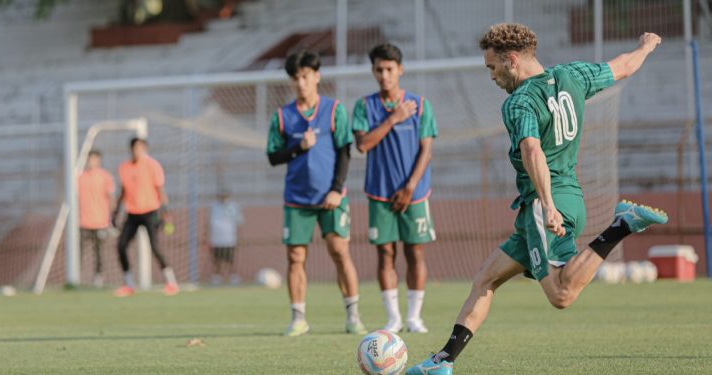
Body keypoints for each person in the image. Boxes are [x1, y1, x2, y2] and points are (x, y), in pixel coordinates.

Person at [407, 24, 667, 374]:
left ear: (512, 60)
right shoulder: (572, 75)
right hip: (567, 196)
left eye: (492, 67)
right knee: (486, 277)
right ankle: (442, 362)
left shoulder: (519, 102)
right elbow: (622, 66)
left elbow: (532, 150)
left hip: (547, 204)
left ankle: (621, 225)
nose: (491, 76)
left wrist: (545, 204)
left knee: (561, 295)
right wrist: (646, 46)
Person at [266, 50, 367, 337]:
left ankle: (353, 317)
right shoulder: (283, 116)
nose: (301, 83)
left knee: (339, 252)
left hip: (331, 197)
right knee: (296, 257)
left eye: (305, 76)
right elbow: (273, 156)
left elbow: (345, 151)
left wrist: (337, 189)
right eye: (295, 78)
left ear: (317, 76)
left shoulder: (334, 110)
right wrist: (299, 147)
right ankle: (298, 318)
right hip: (296, 200)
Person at [352, 43, 438, 334]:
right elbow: (363, 144)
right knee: (385, 254)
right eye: (379, 69)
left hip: (415, 194)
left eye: (390, 69)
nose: (384, 75)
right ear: (373, 71)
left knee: (415, 254)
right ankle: (394, 319)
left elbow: (427, 149)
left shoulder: (421, 105)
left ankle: (414, 317)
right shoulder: (365, 107)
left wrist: (411, 187)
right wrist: (393, 119)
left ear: (400, 70)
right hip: (379, 193)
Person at [112, 138, 179, 297]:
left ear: (145, 149)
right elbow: (123, 192)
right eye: (135, 148)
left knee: (155, 246)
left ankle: (171, 282)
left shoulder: (152, 165)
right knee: (121, 245)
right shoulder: (124, 167)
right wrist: (116, 212)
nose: (138, 151)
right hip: (133, 213)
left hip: (151, 212)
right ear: (131, 149)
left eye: (141, 148)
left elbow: (160, 190)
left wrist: (166, 212)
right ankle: (128, 284)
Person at [78, 150, 115, 288]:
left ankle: (98, 278)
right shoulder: (80, 177)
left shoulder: (105, 177)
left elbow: (111, 198)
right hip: (82, 222)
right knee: (78, 251)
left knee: (99, 252)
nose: (91, 162)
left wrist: (112, 218)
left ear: (99, 161)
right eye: (89, 159)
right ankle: (75, 277)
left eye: (94, 159)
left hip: (100, 221)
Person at [208, 189, 244, 285]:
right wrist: (207, 237)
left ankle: (233, 276)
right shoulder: (213, 206)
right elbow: (208, 223)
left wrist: (240, 238)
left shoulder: (234, 206)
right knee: (217, 260)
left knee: (231, 259)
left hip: (229, 238)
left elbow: (239, 223)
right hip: (216, 239)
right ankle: (217, 277)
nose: (223, 198)